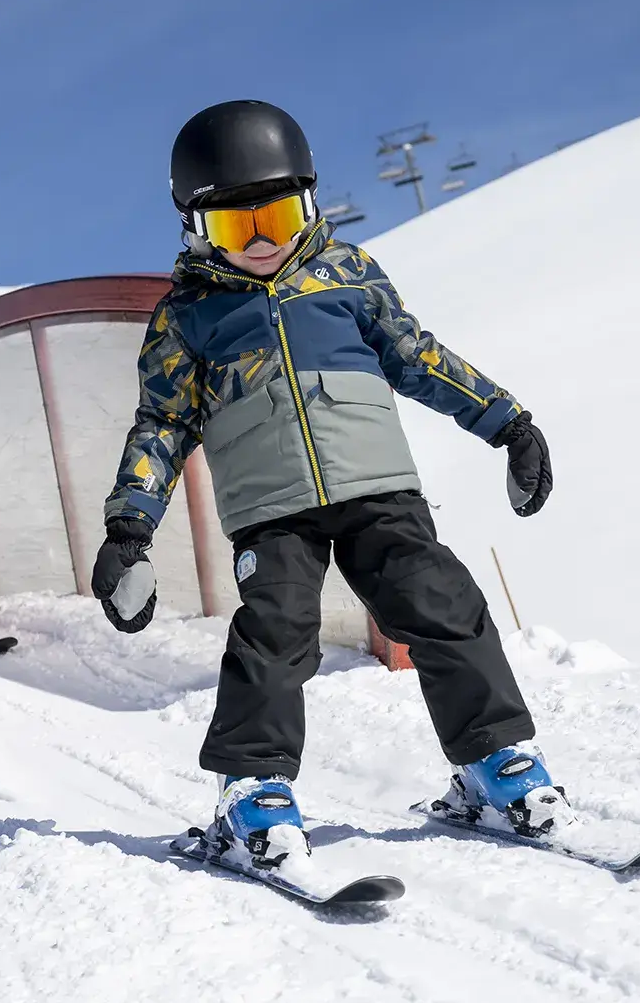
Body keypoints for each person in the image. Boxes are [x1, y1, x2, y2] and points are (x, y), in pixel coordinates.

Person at [91, 100, 560, 872]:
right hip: (271, 512)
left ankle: (496, 764)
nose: (266, 242)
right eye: (239, 230)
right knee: (275, 633)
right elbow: (162, 427)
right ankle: (253, 791)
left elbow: (421, 360)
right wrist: (129, 529)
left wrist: (508, 424)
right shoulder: (189, 316)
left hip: (378, 487)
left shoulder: (348, 276)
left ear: (309, 202)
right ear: (198, 229)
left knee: (444, 605)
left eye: (279, 216)